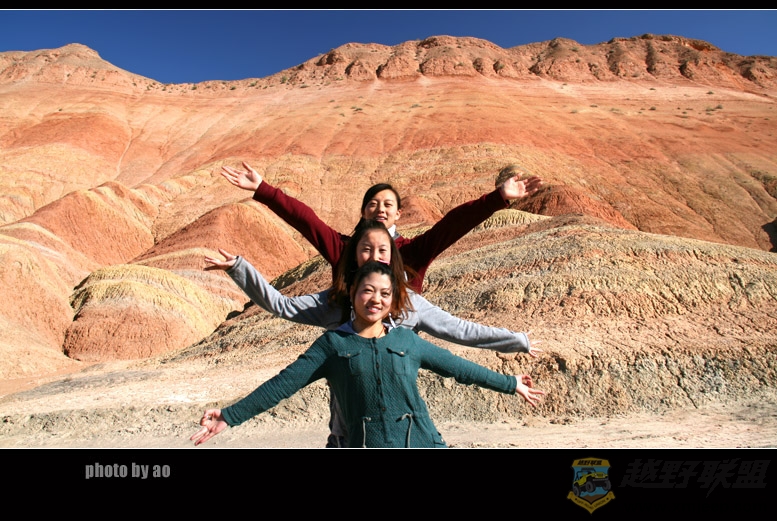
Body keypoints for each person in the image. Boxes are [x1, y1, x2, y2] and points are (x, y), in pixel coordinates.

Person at [205, 219, 542, 446]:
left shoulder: (407, 341)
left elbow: (460, 368)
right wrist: (230, 416)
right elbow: (283, 384)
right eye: (367, 291)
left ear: (393, 300)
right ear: (352, 292)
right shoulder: (332, 346)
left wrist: (509, 383)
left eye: (384, 294)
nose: (375, 300)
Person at [220, 162, 543, 293]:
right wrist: (264, 190)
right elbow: (306, 220)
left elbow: (452, 224)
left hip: (400, 351)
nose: (380, 209)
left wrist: (498, 198)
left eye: (388, 205)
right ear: (363, 212)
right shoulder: (344, 250)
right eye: (373, 204)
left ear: (398, 214)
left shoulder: (412, 253)